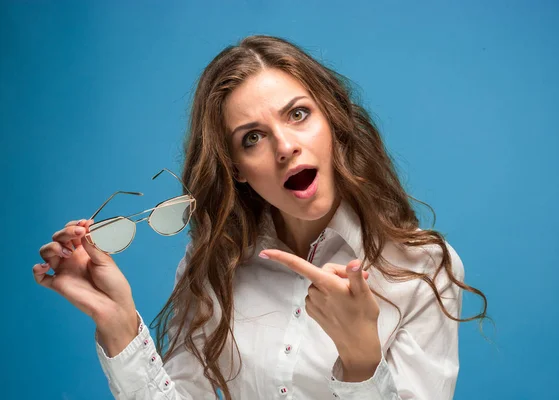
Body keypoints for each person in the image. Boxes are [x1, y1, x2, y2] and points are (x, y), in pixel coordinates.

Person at [33, 35, 487, 400]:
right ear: (237, 170)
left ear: (333, 122)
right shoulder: (214, 262)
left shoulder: (423, 266)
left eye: (298, 114)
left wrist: (361, 362)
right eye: (252, 138)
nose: (285, 146)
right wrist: (118, 324)